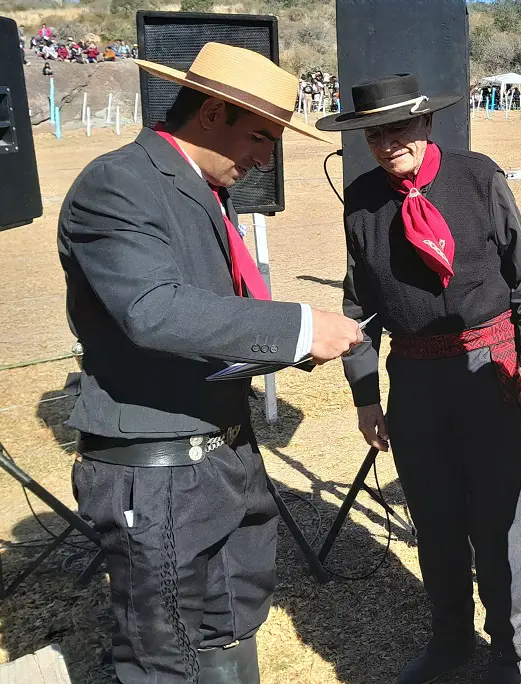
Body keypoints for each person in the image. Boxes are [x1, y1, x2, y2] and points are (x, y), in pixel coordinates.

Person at [58, 43, 362, 684]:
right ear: (213, 112)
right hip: (158, 468)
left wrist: (286, 345)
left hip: (224, 455)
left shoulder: (203, 190)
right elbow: (153, 310)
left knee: (233, 625)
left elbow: (210, 315)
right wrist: (299, 327)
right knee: (162, 656)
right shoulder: (118, 183)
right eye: (259, 137)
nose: (264, 159)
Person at [317, 73, 521, 684]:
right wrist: (365, 395)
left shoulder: (479, 177)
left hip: (491, 371)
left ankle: (507, 650)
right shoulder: (361, 199)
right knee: (435, 520)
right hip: (416, 383)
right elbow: (359, 306)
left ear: (425, 122)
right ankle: (450, 640)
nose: (387, 143)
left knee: (499, 524)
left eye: (399, 127)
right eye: (373, 134)